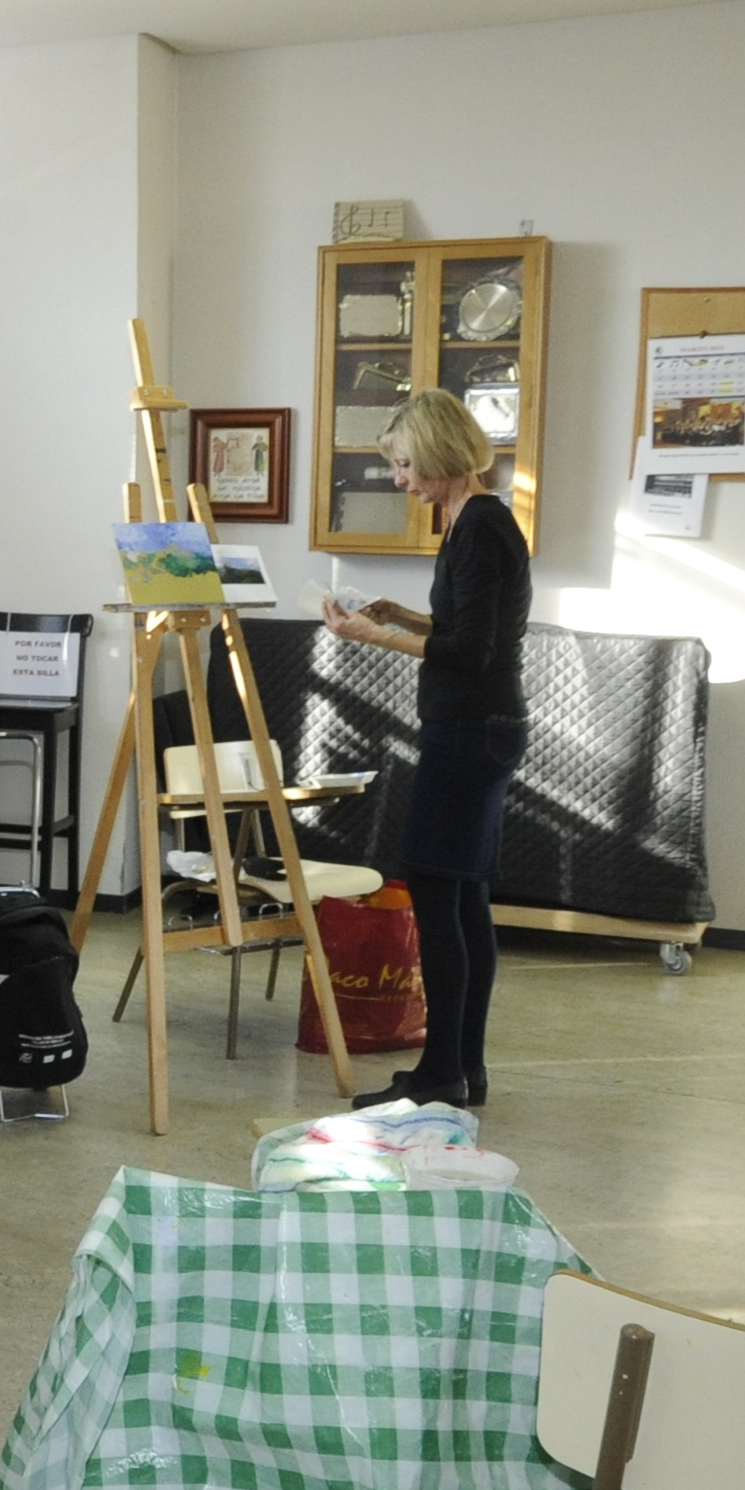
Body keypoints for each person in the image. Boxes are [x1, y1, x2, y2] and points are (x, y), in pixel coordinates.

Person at [323, 390, 531, 1109]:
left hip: (470, 731)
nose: (400, 479)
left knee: (440, 898)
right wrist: (404, 616)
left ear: (440, 455)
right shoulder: (476, 520)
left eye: (407, 465)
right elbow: (470, 629)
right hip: (483, 728)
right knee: (465, 898)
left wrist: (375, 636)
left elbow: (471, 652)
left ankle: (441, 1071)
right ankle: (464, 1069)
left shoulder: (479, 527)